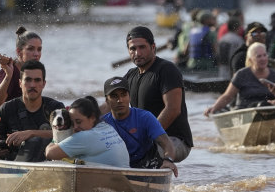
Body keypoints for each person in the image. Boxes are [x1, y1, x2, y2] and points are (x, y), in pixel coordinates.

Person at [102, 26, 193, 162]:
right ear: (128, 51)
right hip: (143, 139)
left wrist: (144, 137)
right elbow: (109, 105)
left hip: (174, 140)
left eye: (142, 47)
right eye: (133, 49)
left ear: (153, 47)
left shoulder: (167, 70)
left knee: (139, 156)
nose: (138, 53)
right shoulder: (130, 76)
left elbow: (173, 109)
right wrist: (84, 115)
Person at [0, 60, 64, 162]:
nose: (32, 85)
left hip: (48, 165)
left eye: (37, 80)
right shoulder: (7, 109)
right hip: (14, 167)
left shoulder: (56, 108)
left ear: (43, 84)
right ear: (20, 83)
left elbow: (66, 136)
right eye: (28, 80)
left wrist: (31, 133)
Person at [101, 77, 178, 176]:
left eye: (123, 95)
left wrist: (168, 160)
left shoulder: (145, 117)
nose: (120, 100)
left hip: (147, 166)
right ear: (107, 100)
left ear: (130, 97)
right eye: (114, 96)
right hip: (117, 168)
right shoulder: (102, 124)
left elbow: (167, 144)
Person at [0, 27, 42, 141]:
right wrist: (8, 76)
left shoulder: (34, 73)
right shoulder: (7, 72)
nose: (36, 54)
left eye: (39, 50)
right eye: (31, 49)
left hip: (19, 128)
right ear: (19, 52)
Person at [45, 96, 129, 167]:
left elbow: (50, 154)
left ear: (92, 118)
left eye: (78, 122)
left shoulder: (84, 136)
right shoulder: (107, 127)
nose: (75, 127)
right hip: (125, 177)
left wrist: (54, 140)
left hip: (111, 183)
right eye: (72, 123)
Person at [204, 42, 275, 116]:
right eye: (259, 56)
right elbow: (227, 96)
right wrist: (213, 108)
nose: (263, 59)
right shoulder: (241, 74)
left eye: (264, 55)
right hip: (244, 113)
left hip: (268, 113)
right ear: (250, 60)